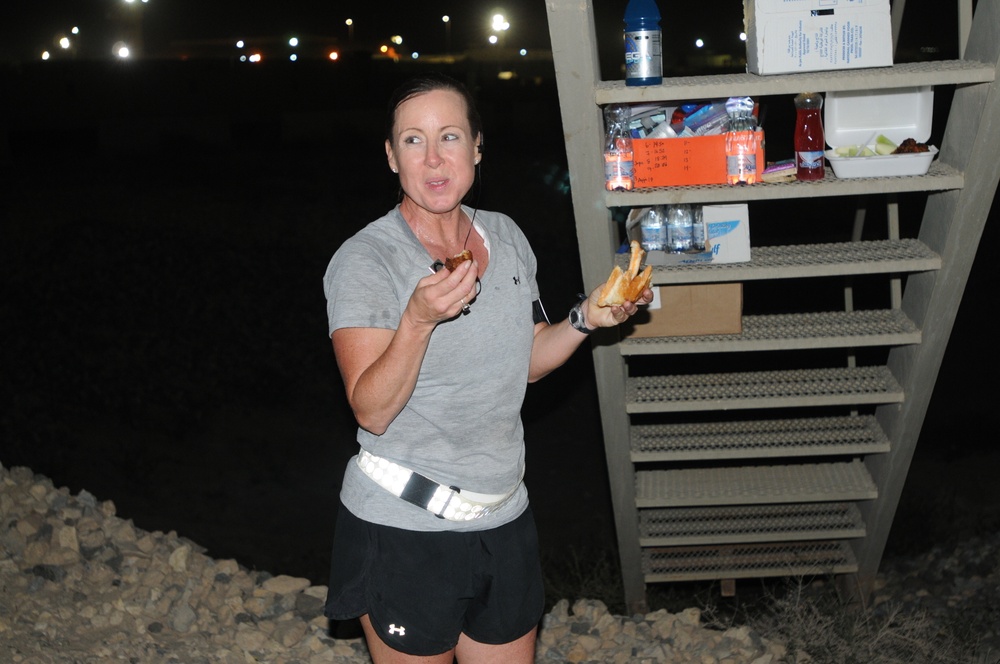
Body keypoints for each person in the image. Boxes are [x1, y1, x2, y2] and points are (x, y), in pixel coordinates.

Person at [322, 72, 651, 663]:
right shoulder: (366, 260)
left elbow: (523, 362)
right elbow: (370, 408)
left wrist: (586, 320)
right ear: (392, 157)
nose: (434, 157)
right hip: (405, 525)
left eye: (449, 136)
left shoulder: (506, 235)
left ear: (477, 146)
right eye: (413, 140)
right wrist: (417, 320)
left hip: (505, 517)